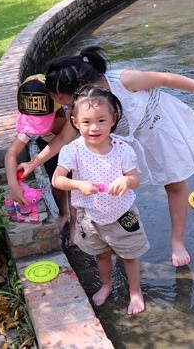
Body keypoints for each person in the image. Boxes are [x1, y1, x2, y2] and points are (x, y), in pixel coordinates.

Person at [19, 46, 194, 267]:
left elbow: (164, 78)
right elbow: (62, 139)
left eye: (62, 100)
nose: (63, 106)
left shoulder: (124, 81)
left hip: (157, 126)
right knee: (118, 186)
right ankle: (120, 238)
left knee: (173, 183)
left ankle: (177, 241)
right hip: (127, 139)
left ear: (80, 88)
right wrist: (33, 163)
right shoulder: (82, 102)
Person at [53, 85, 149, 315]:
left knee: (129, 255)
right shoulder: (72, 150)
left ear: (113, 120)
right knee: (101, 254)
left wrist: (126, 182)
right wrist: (78, 185)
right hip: (90, 217)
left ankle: (135, 291)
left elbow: (135, 178)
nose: (94, 128)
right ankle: (106, 285)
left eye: (101, 121)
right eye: (86, 122)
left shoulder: (122, 149)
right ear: (75, 121)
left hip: (122, 214)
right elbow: (57, 180)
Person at [4, 74, 71, 232]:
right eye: (31, 121)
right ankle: (64, 213)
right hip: (47, 146)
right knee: (56, 181)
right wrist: (13, 183)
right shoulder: (33, 122)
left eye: (39, 122)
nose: (33, 128)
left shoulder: (73, 116)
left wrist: (33, 163)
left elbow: (62, 138)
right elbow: (11, 153)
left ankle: (75, 221)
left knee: (76, 181)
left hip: (74, 146)